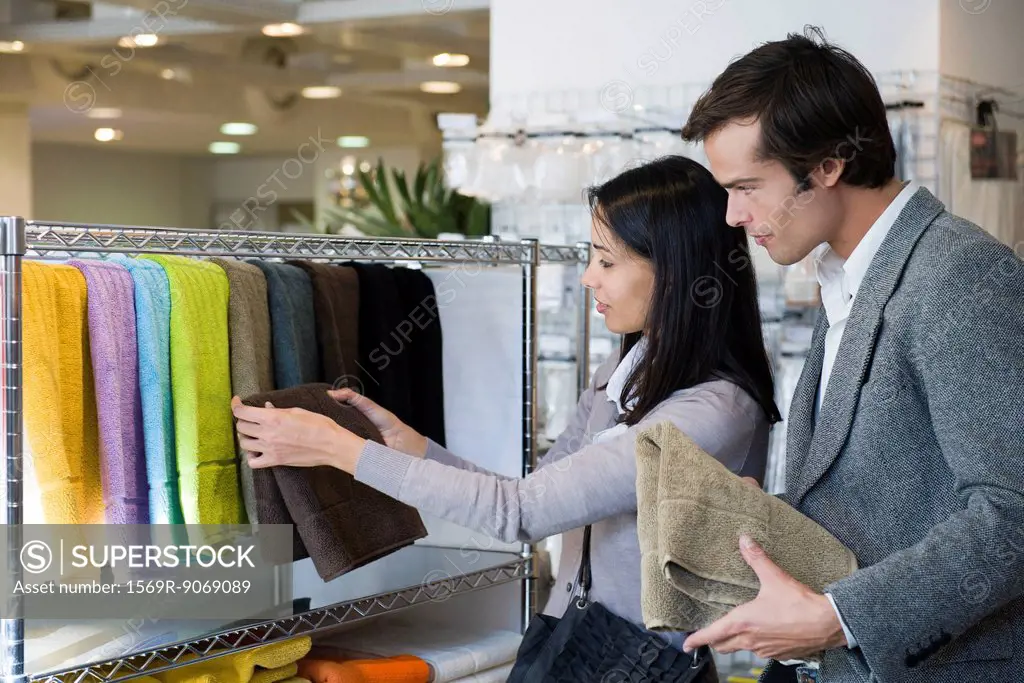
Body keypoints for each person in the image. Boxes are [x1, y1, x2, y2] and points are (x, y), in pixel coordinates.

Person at [231, 155, 782, 680]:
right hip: (573, 638)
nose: (589, 278)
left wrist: (339, 451)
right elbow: (532, 492)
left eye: (607, 261)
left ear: (677, 272)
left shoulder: (712, 413)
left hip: (642, 662)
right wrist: (410, 444)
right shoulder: (625, 369)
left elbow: (521, 514)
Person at [677, 26, 1024, 683]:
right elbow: (893, 493)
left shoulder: (960, 274)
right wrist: (771, 516)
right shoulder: (844, 277)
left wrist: (841, 616)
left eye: (747, 186)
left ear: (829, 166)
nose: (731, 215)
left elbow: (1014, 511)